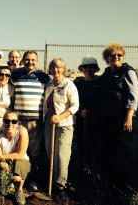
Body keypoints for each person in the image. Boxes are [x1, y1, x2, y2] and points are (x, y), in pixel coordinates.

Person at [99, 42, 138, 192]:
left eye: (119, 55)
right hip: (106, 119)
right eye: (112, 55)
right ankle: (110, 187)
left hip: (121, 119)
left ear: (123, 57)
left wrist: (129, 117)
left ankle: (124, 189)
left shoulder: (128, 72)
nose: (116, 57)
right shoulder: (107, 73)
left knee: (121, 154)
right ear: (107, 58)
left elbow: (133, 97)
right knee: (108, 153)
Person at [10, 50, 50, 191]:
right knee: (17, 150)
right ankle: (16, 178)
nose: (30, 62)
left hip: (35, 121)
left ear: (37, 62)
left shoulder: (43, 77)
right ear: (23, 61)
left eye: (33, 60)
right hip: (18, 122)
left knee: (34, 152)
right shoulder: (15, 75)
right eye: (27, 59)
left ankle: (32, 179)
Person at [43, 58, 79, 199]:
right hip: (49, 124)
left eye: (59, 67)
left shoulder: (69, 85)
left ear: (63, 69)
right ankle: (50, 183)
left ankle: (60, 187)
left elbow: (75, 106)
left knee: (61, 156)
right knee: (50, 153)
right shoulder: (49, 84)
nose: (56, 70)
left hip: (64, 125)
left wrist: (60, 117)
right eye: (53, 67)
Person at [0, 111, 30, 205]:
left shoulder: (22, 131)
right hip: (6, 162)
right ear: (3, 121)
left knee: (20, 164)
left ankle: (19, 190)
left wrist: (1, 157)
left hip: (21, 161)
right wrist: (9, 172)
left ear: (17, 122)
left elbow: (20, 154)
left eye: (13, 121)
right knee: (1, 165)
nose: (10, 124)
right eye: (7, 121)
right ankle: (9, 184)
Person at [73, 55, 100, 169]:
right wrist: (80, 112)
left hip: (98, 120)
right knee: (82, 144)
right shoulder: (77, 83)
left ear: (95, 69)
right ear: (82, 69)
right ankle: (83, 168)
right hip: (82, 119)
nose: (88, 69)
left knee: (96, 144)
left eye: (91, 67)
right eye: (85, 67)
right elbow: (71, 101)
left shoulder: (101, 82)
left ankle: (96, 171)